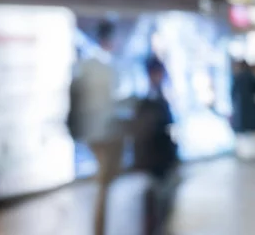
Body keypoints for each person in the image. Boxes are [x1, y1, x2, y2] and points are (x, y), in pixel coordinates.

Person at [69, 20, 122, 235]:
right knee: (103, 185)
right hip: (103, 133)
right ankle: (98, 229)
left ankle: (99, 228)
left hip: (95, 132)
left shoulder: (88, 65)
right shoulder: (103, 67)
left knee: (104, 185)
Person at [132, 56, 179, 235]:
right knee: (158, 200)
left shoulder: (158, 96)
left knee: (161, 201)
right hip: (157, 158)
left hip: (161, 157)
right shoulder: (150, 99)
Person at [231, 61, 255, 160]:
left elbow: (232, 93)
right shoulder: (251, 76)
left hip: (240, 108)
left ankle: (245, 152)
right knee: (250, 132)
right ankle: (251, 152)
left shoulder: (237, 77)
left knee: (243, 132)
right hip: (250, 106)